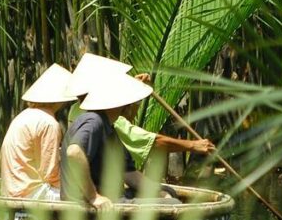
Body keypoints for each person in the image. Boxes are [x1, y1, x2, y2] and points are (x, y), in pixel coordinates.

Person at [66, 52, 214, 170]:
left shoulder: (77, 110)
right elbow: (153, 143)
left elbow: (125, 119)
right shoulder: (98, 117)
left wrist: (134, 94)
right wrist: (194, 145)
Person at [61, 73, 175, 207]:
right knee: (174, 202)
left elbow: (129, 173)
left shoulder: (110, 129)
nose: (132, 106)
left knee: (169, 192)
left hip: (114, 196)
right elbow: (74, 153)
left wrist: (159, 193)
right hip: (89, 203)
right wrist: (94, 197)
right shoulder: (94, 121)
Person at [0, 63, 76, 200]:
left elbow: (0, 159)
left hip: (10, 190)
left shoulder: (22, 116)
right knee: (83, 197)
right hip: (31, 193)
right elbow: (50, 174)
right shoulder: (49, 124)